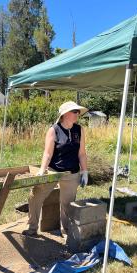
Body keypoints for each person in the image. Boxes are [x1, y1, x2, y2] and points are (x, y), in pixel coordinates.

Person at [22, 101, 88, 237]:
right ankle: (32, 227)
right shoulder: (54, 130)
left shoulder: (79, 130)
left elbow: (81, 153)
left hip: (71, 173)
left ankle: (66, 231)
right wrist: (42, 169)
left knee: (67, 204)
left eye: (78, 112)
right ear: (65, 114)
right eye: (74, 111)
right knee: (35, 195)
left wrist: (84, 171)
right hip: (54, 171)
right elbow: (47, 153)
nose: (77, 114)